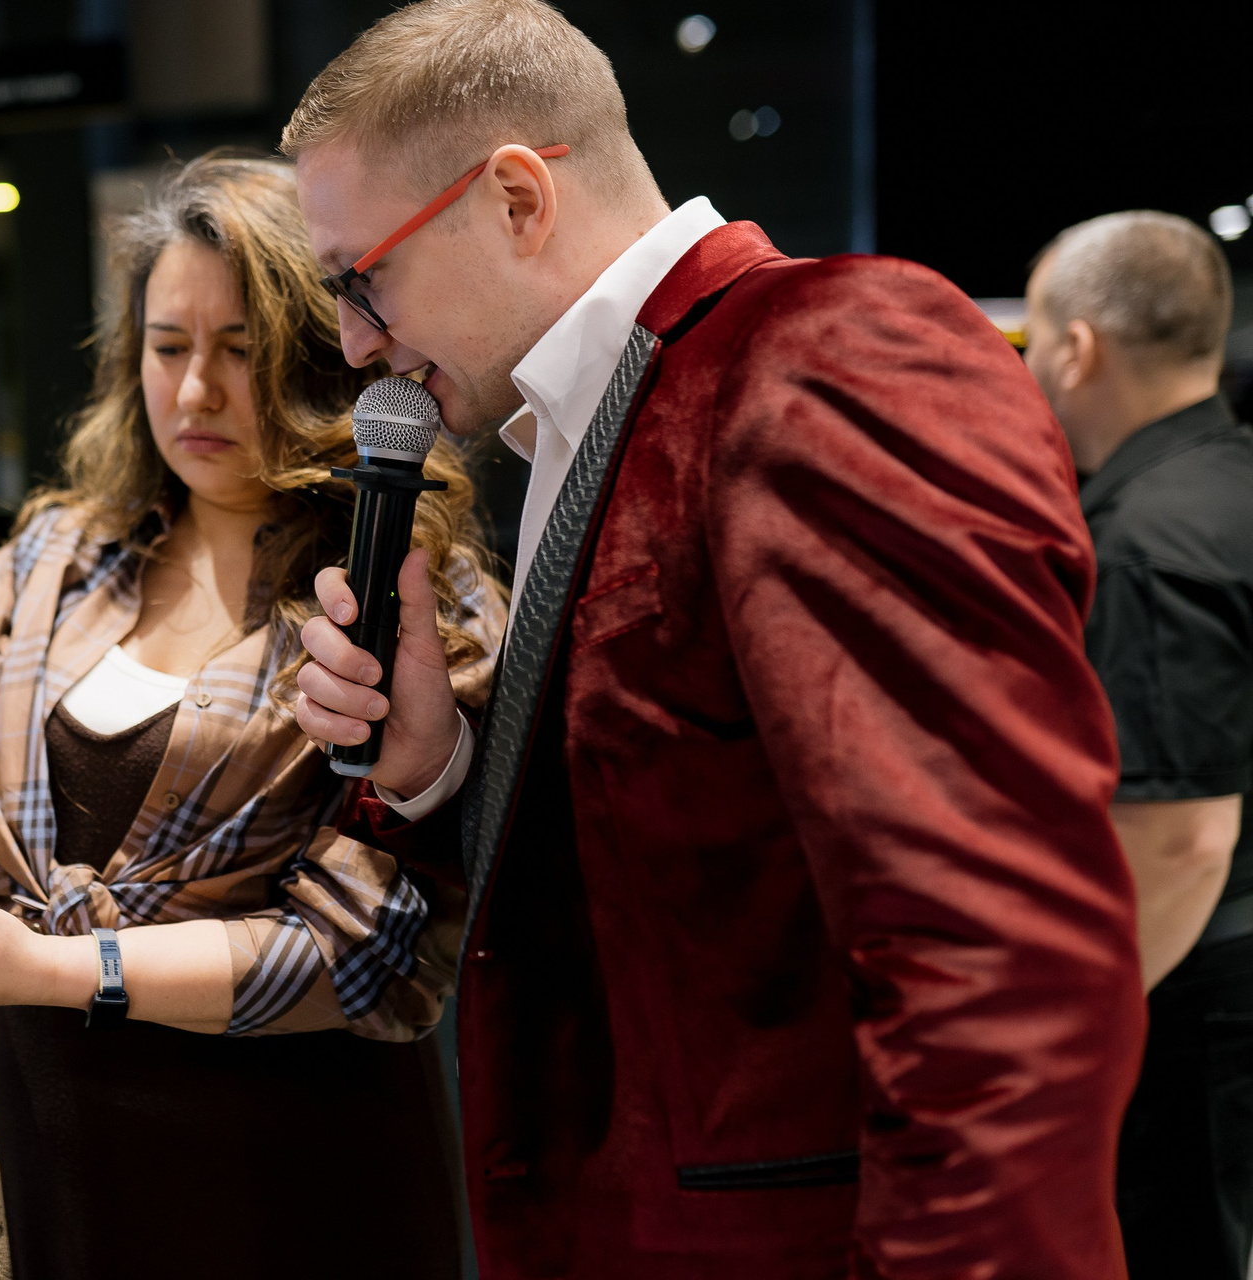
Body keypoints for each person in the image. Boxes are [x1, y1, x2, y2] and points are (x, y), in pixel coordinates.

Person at [285, 2, 1143, 1276]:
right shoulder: (596, 416)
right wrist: (437, 763)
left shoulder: (822, 355)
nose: (357, 341)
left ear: (517, 198)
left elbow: (995, 950)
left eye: (361, 278)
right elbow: (679, 857)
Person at [0, 154, 505, 1280]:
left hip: (280, 1177)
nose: (196, 393)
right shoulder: (53, 558)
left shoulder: (401, 603)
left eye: (241, 350)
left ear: (324, 356)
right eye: (168, 347)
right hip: (30, 1157)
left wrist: (53, 964)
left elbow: (376, 949)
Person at [1024, 211, 1253, 1280]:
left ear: (1077, 349)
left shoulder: (1146, 540)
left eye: (1035, 340)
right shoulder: (1231, 485)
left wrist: (1075, 1036)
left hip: (1192, 993)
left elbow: (1181, 839)